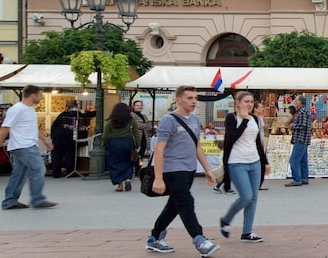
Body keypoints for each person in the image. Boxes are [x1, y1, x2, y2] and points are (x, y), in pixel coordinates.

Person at [145, 85, 219, 256]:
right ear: (178, 99)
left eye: (195, 98)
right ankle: (200, 239)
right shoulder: (168, 120)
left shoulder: (194, 120)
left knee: (174, 205)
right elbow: (159, 149)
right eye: (189, 98)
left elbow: (197, 146)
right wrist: (158, 177)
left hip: (189, 169)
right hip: (172, 170)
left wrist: (208, 169)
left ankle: (154, 238)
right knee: (186, 202)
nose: (193, 102)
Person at [0, 85, 57, 210]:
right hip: (25, 146)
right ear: (33, 95)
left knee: (19, 174)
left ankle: (10, 200)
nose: (41, 98)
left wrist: (45, 139)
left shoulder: (29, 109)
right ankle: (37, 199)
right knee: (39, 169)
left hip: (23, 145)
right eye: (40, 95)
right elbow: (5, 127)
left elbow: (32, 127)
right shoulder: (17, 109)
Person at [218, 91, 267, 244]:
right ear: (238, 102)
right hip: (237, 161)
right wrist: (244, 121)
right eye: (246, 101)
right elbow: (231, 139)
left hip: (254, 160)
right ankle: (226, 220)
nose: (249, 104)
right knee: (246, 196)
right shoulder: (232, 118)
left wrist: (265, 162)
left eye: (251, 102)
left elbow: (258, 142)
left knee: (253, 198)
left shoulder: (255, 119)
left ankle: (247, 232)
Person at [102, 102, 140, 192]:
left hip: (114, 143)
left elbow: (105, 135)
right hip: (128, 142)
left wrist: (104, 144)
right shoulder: (131, 120)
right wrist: (137, 145)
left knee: (114, 163)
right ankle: (127, 179)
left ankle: (119, 185)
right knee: (128, 162)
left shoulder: (110, 121)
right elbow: (136, 134)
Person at [50, 101, 94, 179]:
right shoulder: (75, 114)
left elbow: (53, 126)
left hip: (57, 137)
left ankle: (56, 173)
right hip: (68, 137)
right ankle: (69, 171)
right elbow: (87, 115)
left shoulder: (61, 115)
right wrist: (96, 112)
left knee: (57, 155)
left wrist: (53, 136)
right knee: (69, 154)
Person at [285, 95, 313, 187]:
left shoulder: (302, 112)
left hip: (300, 138)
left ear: (300, 102)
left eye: (296, 101)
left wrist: (293, 126)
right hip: (303, 138)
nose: (294, 102)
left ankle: (297, 179)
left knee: (294, 160)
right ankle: (304, 178)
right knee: (303, 160)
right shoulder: (302, 112)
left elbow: (303, 125)